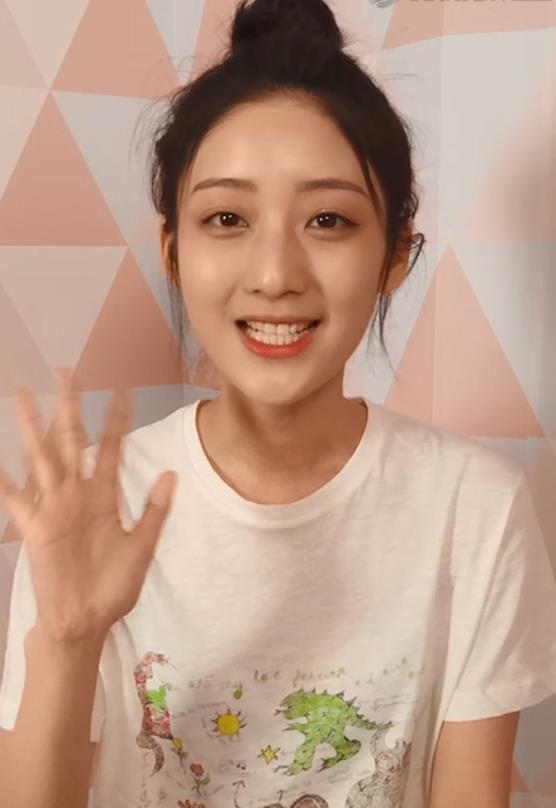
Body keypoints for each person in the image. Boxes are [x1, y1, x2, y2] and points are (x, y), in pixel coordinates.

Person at [0, 1, 556, 807]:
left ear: (394, 257)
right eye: (227, 218)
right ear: (174, 250)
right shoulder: (92, 509)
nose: (274, 275)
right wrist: (67, 639)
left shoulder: (474, 510)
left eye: (328, 220)